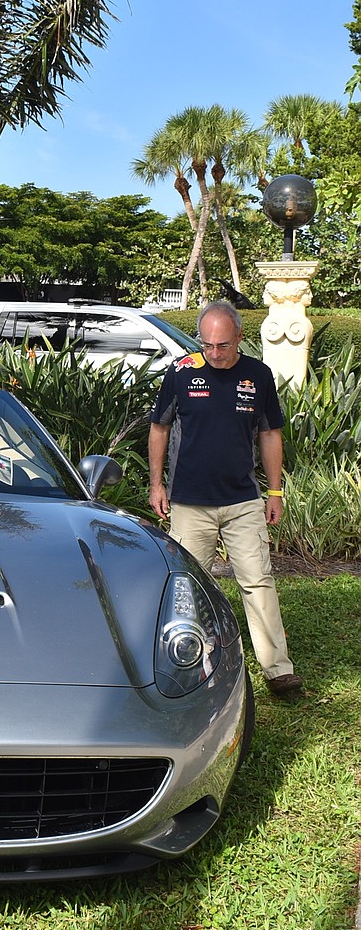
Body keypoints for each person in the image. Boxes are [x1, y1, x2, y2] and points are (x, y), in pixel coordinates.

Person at [148, 299, 303, 699]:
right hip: (190, 501)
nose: (214, 353)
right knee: (186, 587)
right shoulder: (182, 372)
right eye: (208, 345)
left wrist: (274, 491)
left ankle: (277, 669)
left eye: (223, 345)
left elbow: (269, 433)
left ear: (239, 338)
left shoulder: (259, 375)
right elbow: (159, 428)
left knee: (257, 581)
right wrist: (156, 484)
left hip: (242, 500)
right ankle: (190, 661)